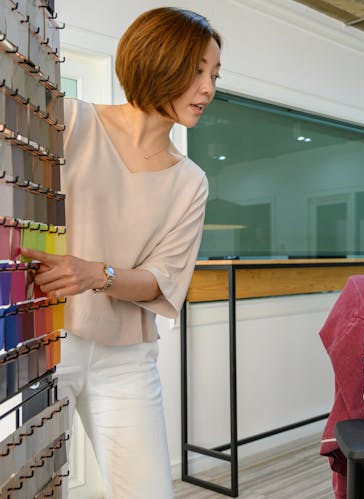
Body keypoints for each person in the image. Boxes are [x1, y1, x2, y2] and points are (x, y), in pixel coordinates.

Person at [20, 7, 222, 497]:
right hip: (43, 343)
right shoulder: (69, 119)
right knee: (28, 484)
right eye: (196, 70)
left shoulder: (190, 181)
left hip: (126, 357)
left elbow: (161, 280)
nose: (208, 87)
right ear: (157, 61)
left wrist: (98, 274)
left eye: (215, 74)